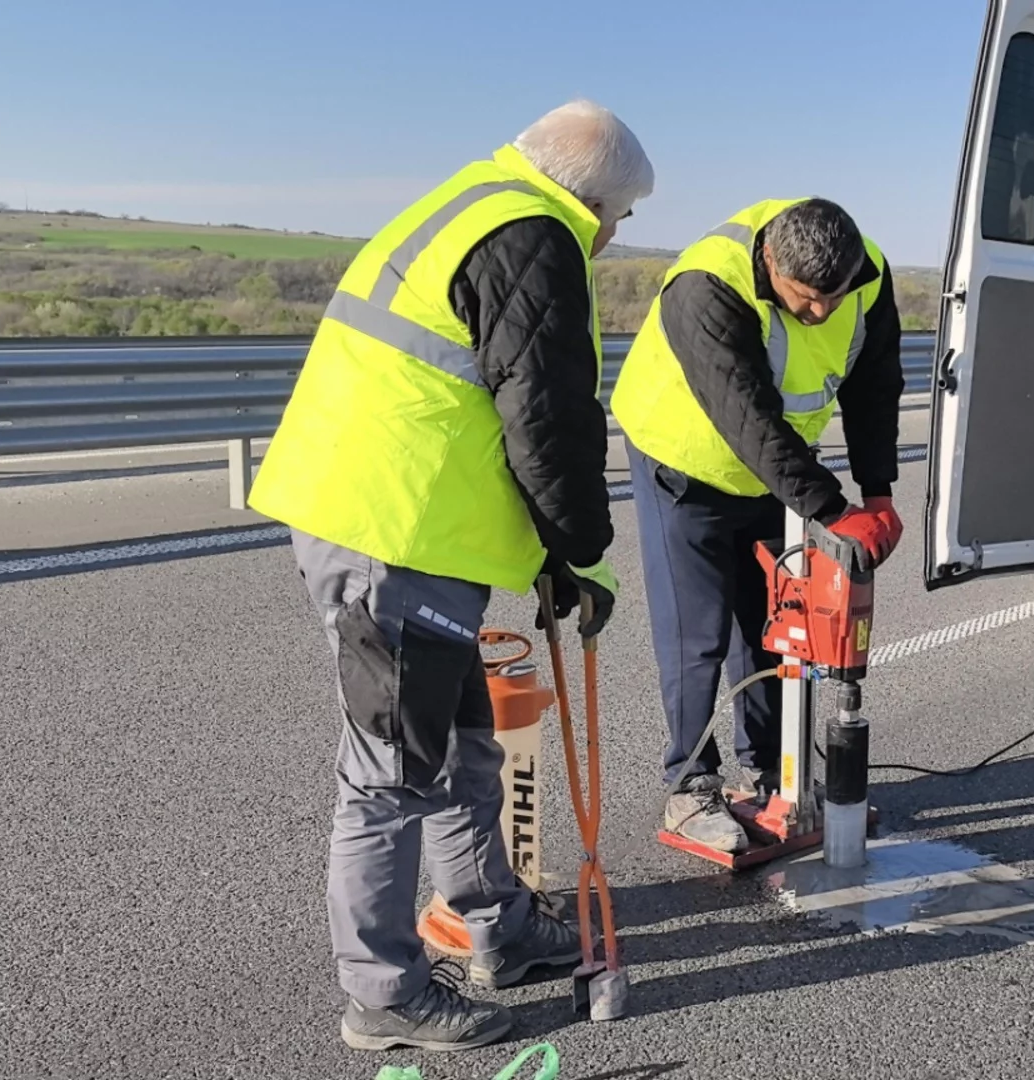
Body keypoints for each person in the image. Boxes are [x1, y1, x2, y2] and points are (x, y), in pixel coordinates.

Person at [246, 100, 652, 1053]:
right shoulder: (534, 232)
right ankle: (382, 994)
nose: (613, 237)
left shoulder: (474, 198)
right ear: (592, 200)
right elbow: (546, 418)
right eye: (621, 219)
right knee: (390, 773)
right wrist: (578, 556)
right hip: (395, 535)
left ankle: (497, 926)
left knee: (466, 742)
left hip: (399, 522)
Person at [610, 198, 904, 853]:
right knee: (699, 636)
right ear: (770, 261)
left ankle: (776, 773)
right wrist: (835, 509)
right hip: (682, 466)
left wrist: (878, 492)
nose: (821, 313)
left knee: (773, 627)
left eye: (833, 296)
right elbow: (748, 420)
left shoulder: (869, 276)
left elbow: (874, 386)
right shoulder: (708, 285)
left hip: (777, 476)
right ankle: (690, 788)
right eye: (806, 299)